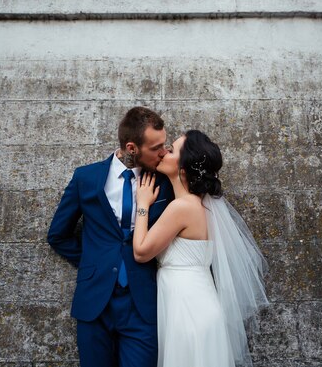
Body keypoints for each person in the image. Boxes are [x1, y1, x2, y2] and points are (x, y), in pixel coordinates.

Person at [47, 106, 174, 367]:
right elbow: (58, 234)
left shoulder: (165, 182)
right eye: (155, 147)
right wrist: (93, 262)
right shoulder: (86, 178)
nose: (164, 152)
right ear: (131, 147)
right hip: (95, 303)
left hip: (142, 304)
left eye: (165, 144)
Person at [133, 130, 269, 367]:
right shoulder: (199, 206)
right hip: (196, 304)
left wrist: (142, 204)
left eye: (172, 150)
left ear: (183, 168)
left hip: (188, 310)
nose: (164, 152)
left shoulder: (182, 207)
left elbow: (141, 252)